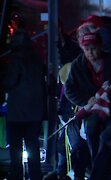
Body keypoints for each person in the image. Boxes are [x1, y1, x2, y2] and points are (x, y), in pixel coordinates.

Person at [64, 31, 111, 179]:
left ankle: (106, 173)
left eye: (93, 48)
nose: (90, 52)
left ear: (100, 47)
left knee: (107, 137)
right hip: (93, 110)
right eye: (87, 49)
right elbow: (69, 89)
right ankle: (98, 169)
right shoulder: (78, 65)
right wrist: (87, 100)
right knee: (91, 130)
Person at [2, 14, 45, 180]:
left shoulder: (14, 59)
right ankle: (35, 175)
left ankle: (17, 176)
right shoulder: (36, 58)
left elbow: (10, 81)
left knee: (15, 148)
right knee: (32, 145)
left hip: (17, 112)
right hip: (34, 111)